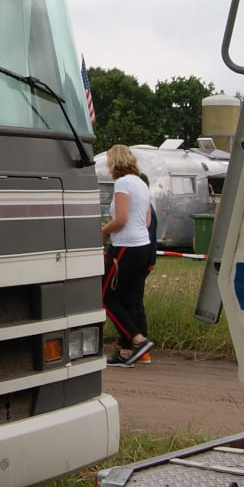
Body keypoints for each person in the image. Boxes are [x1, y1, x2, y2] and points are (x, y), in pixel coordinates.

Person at [100, 145, 155, 367]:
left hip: (125, 246)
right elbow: (146, 220)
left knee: (105, 296)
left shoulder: (123, 183)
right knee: (128, 299)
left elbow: (121, 219)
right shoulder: (141, 182)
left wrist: (102, 230)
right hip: (143, 246)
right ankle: (125, 351)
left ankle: (137, 339)